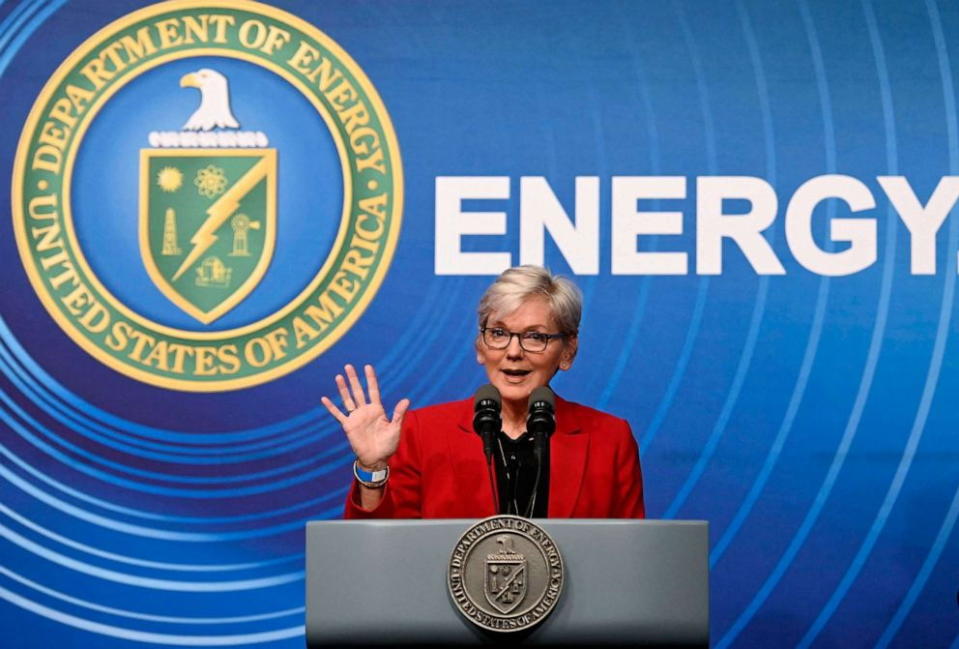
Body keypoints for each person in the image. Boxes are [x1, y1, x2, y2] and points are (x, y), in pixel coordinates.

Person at [321, 265, 645, 519]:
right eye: (499, 333)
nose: (514, 351)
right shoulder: (421, 433)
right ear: (480, 345)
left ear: (568, 350)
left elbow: (630, 562)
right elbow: (381, 556)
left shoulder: (609, 439)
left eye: (535, 337)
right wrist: (374, 468)